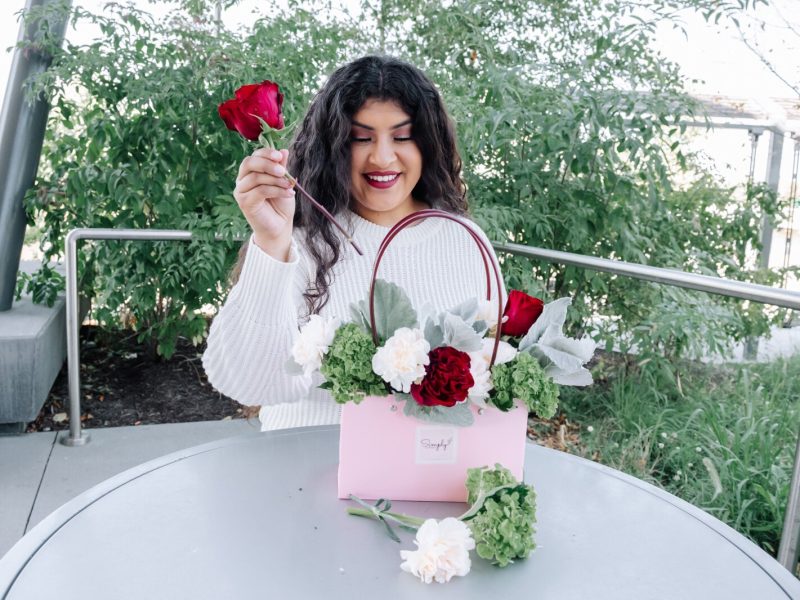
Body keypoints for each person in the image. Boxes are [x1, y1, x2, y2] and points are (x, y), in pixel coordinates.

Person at [202, 55, 507, 431]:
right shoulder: (299, 241)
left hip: (427, 474)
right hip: (301, 465)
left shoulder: (465, 241)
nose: (381, 157)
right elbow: (250, 384)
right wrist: (271, 242)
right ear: (333, 146)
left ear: (427, 144)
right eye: (360, 138)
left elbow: (491, 376)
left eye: (402, 136)